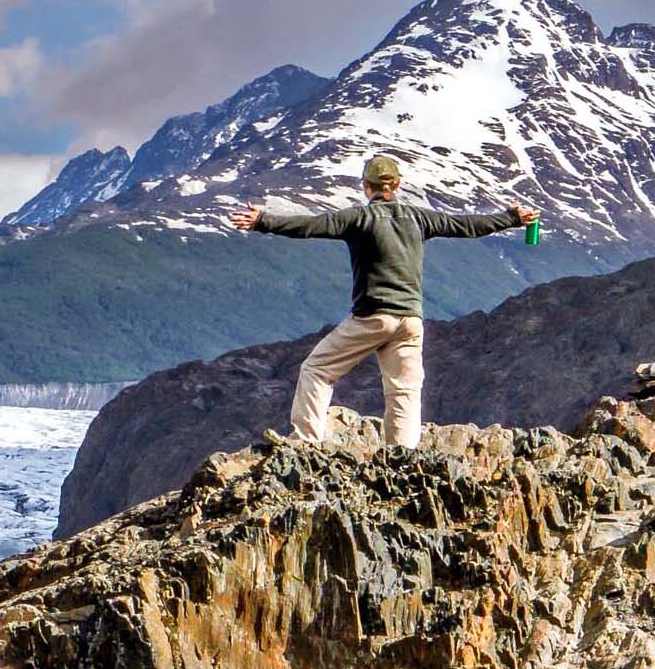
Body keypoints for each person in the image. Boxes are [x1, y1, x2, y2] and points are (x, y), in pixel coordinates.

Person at [230, 155, 537, 449]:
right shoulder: (419, 218)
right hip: (410, 321)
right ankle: (402, 457)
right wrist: (510, 218)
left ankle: (307, 441)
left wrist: (262, 221)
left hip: (372, 317)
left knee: (316, 369)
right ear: (397, 185)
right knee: (403, 390)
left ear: (367, 186)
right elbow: (466, 226)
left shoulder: (359, 218)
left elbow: (310, 226)